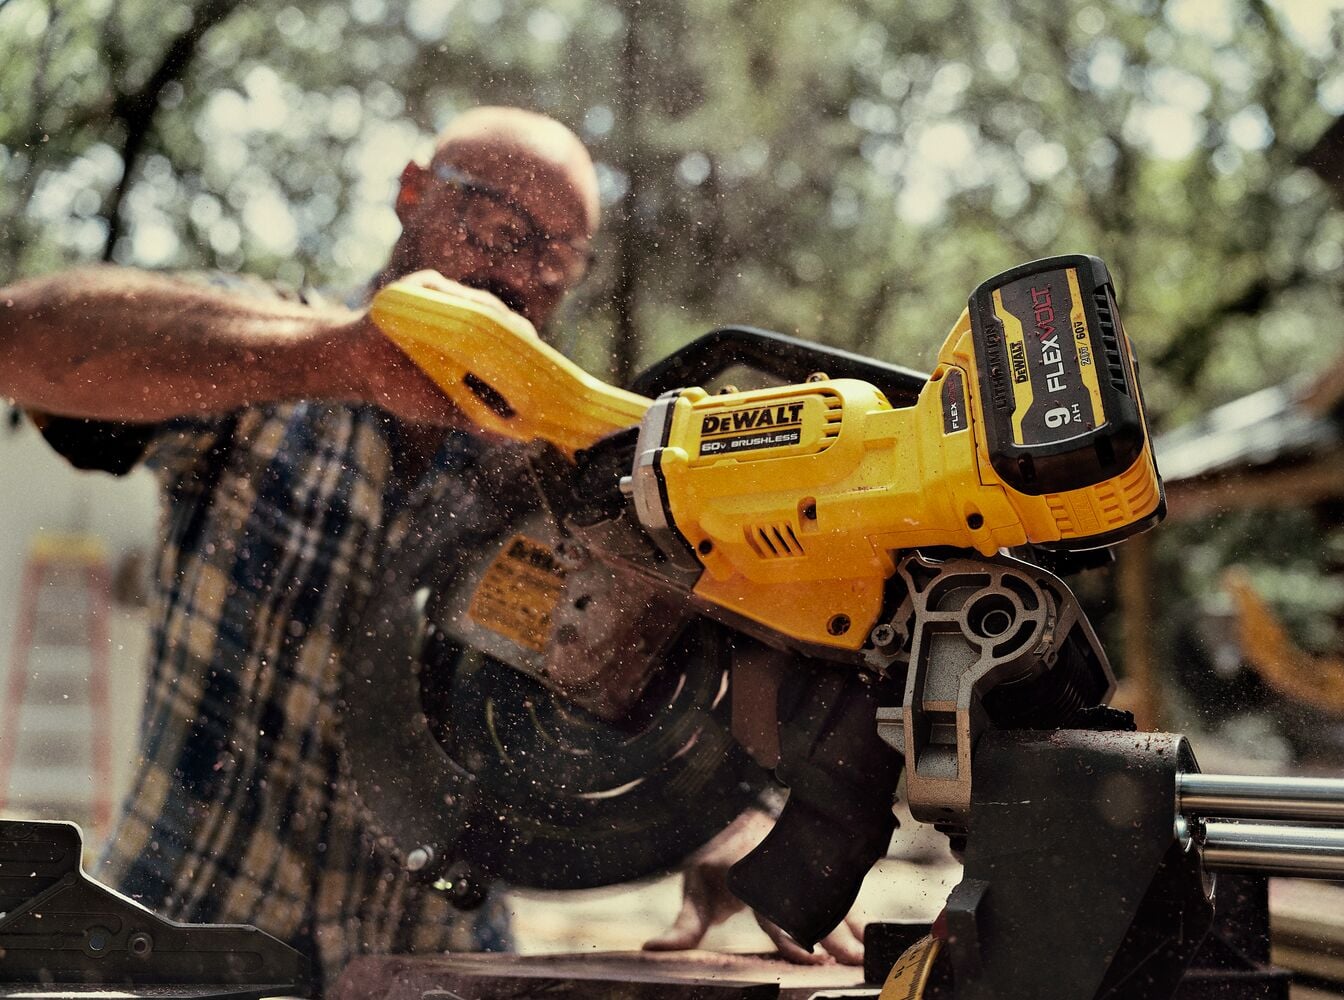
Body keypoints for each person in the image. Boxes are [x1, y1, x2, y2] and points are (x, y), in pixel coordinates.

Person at [0, 106, 861, 989]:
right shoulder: (264, 357)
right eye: (497, 227)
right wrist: (341, 357)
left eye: (555, 259)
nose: (518, 276)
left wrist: (718, 830)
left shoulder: (563, 471)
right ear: (413, 192)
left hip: (439, 968)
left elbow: (640, 699)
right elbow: (18, 339)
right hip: (184, 944)